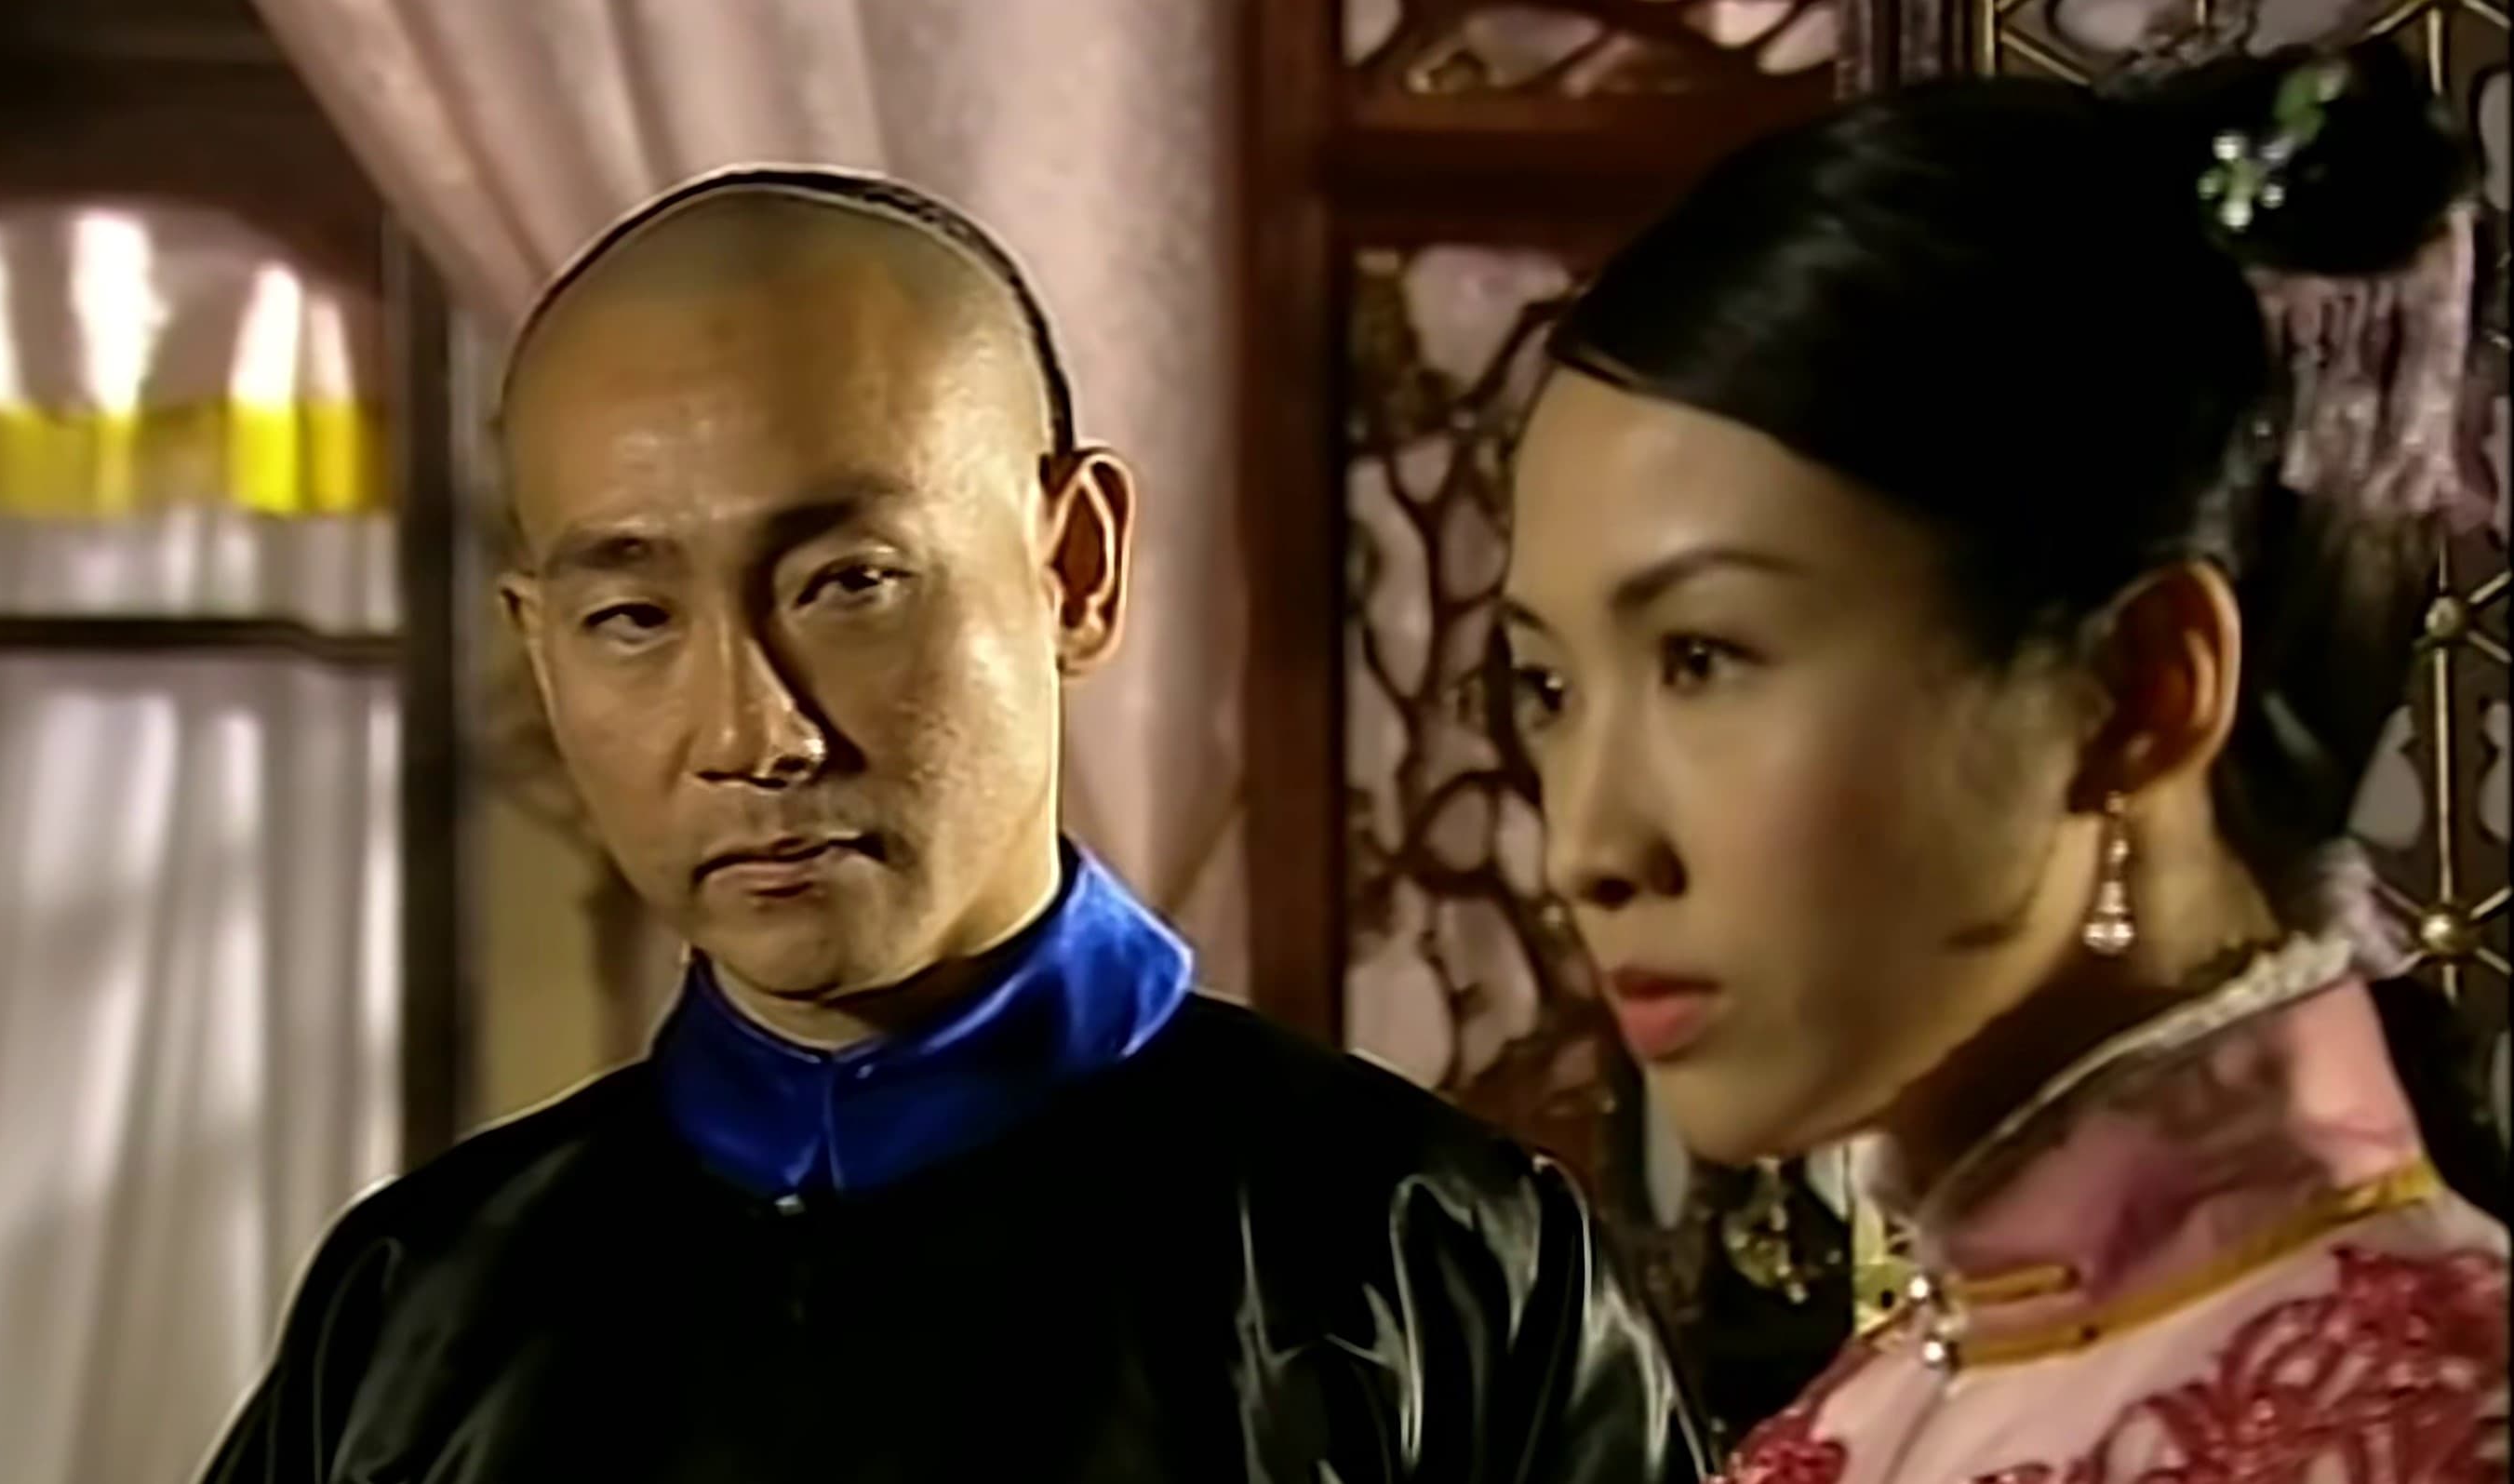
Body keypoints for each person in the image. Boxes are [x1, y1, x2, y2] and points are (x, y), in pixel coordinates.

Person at [197, 167, 1701, 1483]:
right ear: (541, 647)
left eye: (848, 585)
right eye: (634, 617)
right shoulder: (420, 1311)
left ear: (1076, 566)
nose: (756, 737)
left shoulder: (1421, 1266)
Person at [1494, 39, 2507, 1482]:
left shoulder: (2431, 1431)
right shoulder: (1852, 1423)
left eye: (1703, 658)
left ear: (2137, 693)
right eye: (1547, 687)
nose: (1587, 849)